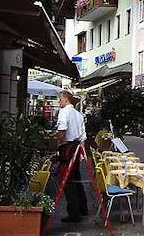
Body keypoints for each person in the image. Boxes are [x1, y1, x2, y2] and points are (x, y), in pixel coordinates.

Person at [56, 91, 88, 223]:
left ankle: (74, 213)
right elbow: (83, 137)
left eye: (60, 99)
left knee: (67, 180)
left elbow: (62, 130)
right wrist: (82, 153)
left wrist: (57, 147)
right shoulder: (78, 115)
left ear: (66, 99)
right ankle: (83, 208)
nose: (59, 102)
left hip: (67, 147)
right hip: (76, 147)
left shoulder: (64, 112)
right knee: (76, 178)